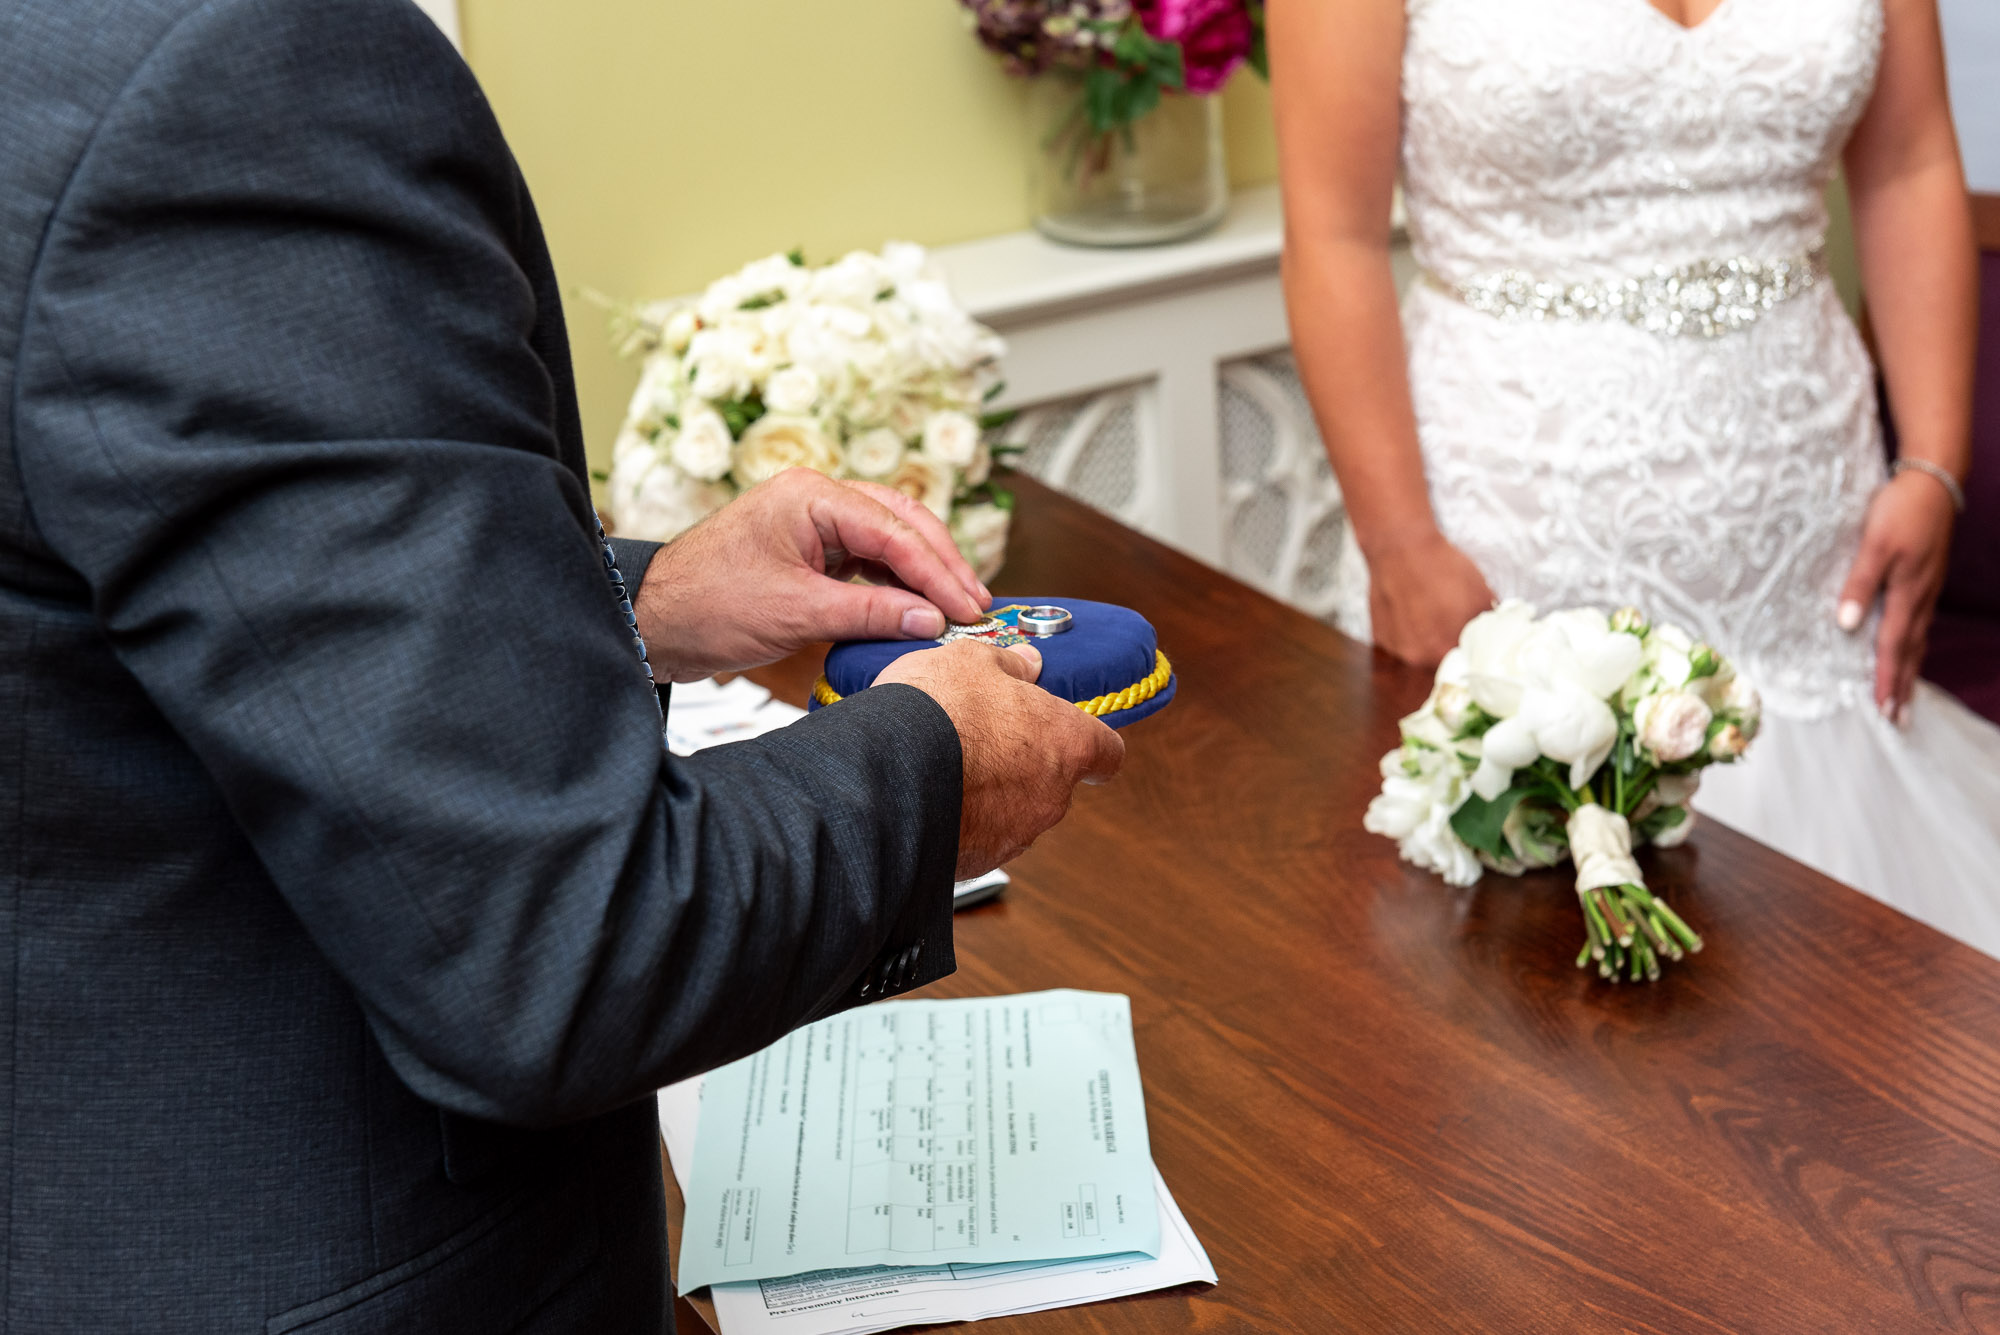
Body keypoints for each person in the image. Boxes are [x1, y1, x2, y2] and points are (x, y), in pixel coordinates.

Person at [0, 1, 1124, 1330]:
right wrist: (932, 767)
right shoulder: (227, 73)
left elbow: (112, 627)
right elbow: (557, 948)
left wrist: (632, 595)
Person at [1272, 0, 2000, 954]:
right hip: (1507, 541)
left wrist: (1936, 463)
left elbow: (1909, 164)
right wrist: (1398, 541)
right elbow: (1335, 234)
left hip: (1813, 553)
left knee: (1854, 1009)